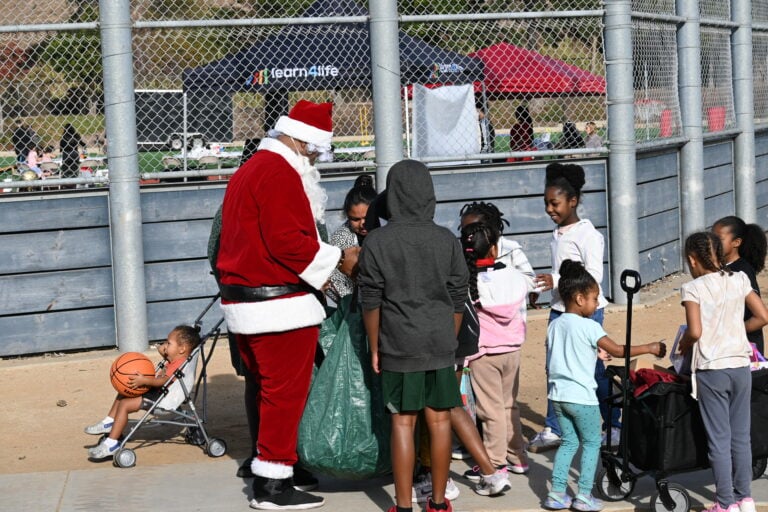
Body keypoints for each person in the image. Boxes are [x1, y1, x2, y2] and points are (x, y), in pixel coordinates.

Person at [217, 100, 359, 510]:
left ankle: (276, 468)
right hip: (277, 302)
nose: (316, 158)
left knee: (269, 391)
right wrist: (340, 260)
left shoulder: (255, 169)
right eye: (316, 150)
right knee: (285, 393)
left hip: (250, 300)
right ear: (301, 139)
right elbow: (287, 242)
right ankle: (273, 484)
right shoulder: (278, 172)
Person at [359, 159, 468, 512]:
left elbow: (371, 300)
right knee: (439, 422)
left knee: (402, 424)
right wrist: (448, 341)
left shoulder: (377, 241)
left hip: (398, 343)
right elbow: (458, 295)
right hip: (439, 343)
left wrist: (375, 346)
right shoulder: (446, 240)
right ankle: (437, 504)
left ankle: (403, 506)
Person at [543, 260, 666, 511]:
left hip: (558, 396)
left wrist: (593, 354)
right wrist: (651, 348)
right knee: (590, 444)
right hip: (582, 398)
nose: (597, 303)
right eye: (594, 298)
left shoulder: (555, 325)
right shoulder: (590, 326)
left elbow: (562, 354)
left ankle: (556, 493)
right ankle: (584, 495)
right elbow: (619, 350)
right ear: (579, 298)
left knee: (568, 443)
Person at [529, 163, 620, 453]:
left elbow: (593, 277)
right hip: (560, 312)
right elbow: (563, 273)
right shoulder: (557, 234)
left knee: (592, 370)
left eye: (554, 203)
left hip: (586, 312)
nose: (549, 209)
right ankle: (555, 428)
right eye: (546, 203)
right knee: (555, 369)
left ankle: (614, 424)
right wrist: (546, 291)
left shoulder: (588, 235)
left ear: (573, 201)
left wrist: (555, 279)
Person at [677, 232, 768, 512]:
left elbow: (695, 331)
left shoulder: (692, 288)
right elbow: (763, 316)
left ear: (693, 259)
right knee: (741, 436)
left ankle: (725, 503)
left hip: (712, 369)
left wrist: (684, 343)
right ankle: (746, 499)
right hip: (741, 365)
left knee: (719, 439)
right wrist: (735, 331)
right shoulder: (739, 279)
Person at [459, 220, 532, 478]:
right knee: (509, 405)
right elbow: (527, 286)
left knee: (490, 411)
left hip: (485, 354)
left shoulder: (470, 283)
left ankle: (495, 463)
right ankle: (518, 457)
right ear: (493, 249)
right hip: (512, 349)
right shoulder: (513, 275)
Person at [84, 325, 201, 460]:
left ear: (182, 349)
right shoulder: (177, 359)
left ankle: (111, 444)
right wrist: (164, 348)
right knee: (125, 390)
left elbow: (162, 381)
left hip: (161, 402)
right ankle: (109, 422)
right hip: (157, 394)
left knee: (124, 405)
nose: (165, 346)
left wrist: (144, 380)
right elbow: (165, 353)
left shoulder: (178, 365)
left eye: (169, 343)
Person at [712, 216, 768, 354]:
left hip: (745, 350)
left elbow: (761, 318)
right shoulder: (723, 268)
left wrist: (731, 333)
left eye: (718, 239)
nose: (712, 243)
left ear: (736, 242)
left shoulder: (740, 272)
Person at [458, 201, 536, 298]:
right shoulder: (459, 252)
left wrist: (499, 284)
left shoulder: (510, 249)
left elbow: (530, 280)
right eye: (464, 230)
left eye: (474, 230)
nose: (469, 235)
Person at [326, 174, 377, 303]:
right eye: (355, 219)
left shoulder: (386, 231)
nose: (362, 224)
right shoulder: (340, 240)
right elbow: (338, 285)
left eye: (367, 217)